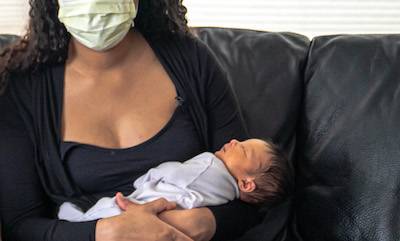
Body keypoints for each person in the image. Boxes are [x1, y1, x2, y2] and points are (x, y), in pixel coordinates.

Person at [0, 0, 268, 240]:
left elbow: (253, 196)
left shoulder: (191, 59)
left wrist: (197, 222)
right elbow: (20, 225)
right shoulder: (22, 87)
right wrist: (107, 232)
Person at [58, 139, 294, 222]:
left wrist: (147, 178)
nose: (233, 141)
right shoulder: (225, 196)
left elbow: (174, 172)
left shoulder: (211, 168)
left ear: (246, 184)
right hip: (163, 216)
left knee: (110, 209)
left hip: (139, 206)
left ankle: (79, 220)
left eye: (242, 150)